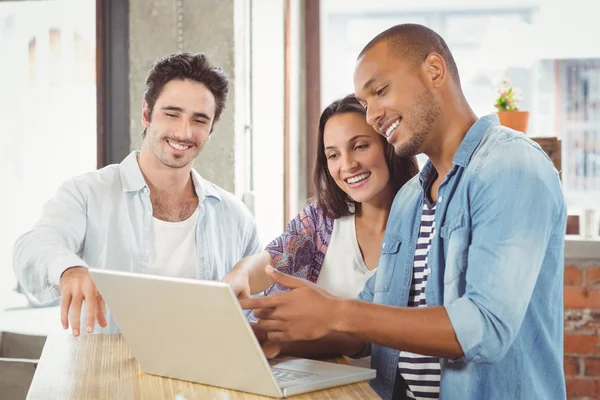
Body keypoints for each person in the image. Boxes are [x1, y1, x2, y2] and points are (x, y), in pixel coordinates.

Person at [240, 24, 567, 400]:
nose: (374, 114)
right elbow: (369, 322)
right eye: (366, 104)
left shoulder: (510, 165)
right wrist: (271, 334)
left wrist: (337, 312)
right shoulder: (411, 199)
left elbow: (486, 327)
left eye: (380, 91)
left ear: (434, 70)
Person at [13, 52, 261, 336]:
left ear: (211, 130)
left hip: (203, 377)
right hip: (106, 373)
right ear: (146, 114)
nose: (184, 131)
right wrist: (69, 269)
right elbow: (31, 247)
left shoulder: (234, 215)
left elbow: (257, 305)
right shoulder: (88, 193)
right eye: (172, 114)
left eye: (199, 120)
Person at [223, 94, 418, 304]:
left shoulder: (426, 222)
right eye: (334, 155)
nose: (348, 165)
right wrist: (240, 273)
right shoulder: (319, 221)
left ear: (389, 146)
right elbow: (271, 261)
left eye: (360, 146)